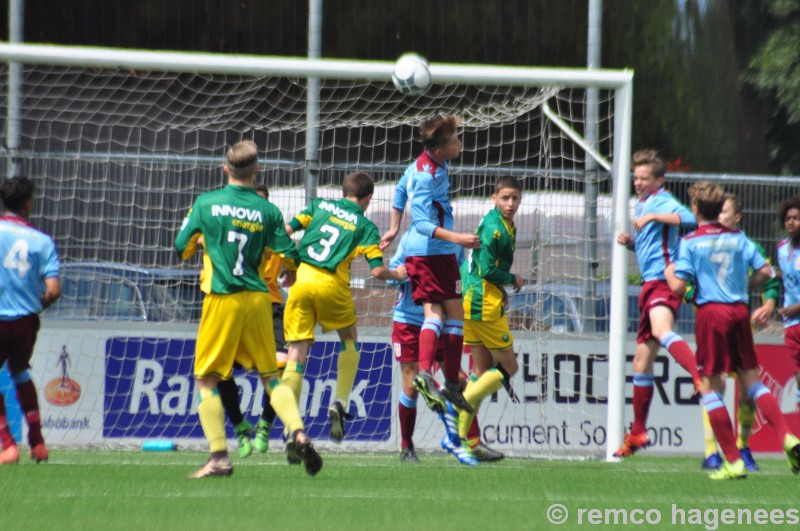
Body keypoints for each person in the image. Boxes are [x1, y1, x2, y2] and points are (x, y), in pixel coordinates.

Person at [175, 140, 322, 478]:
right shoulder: (267, 210)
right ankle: (298, 432)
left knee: (206, 380)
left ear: (225, 170)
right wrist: (290, 271)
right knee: (270, 377)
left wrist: (203, 243)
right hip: (259, 299)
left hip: (223, 297)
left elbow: (180, 246)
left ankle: (219, 458)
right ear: (257, 172)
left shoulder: (206, 204)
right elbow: (290, 254)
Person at [665, 181, 800, 479]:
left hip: (711, 314)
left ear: (696, 209)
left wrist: (671, 273)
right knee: (752, 381)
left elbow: (677, 286)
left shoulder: (692, 242)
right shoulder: (739, 238)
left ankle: (731, 460)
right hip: (740, 312)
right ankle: (787, 437)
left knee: (710, 386)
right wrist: (745, 285)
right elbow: (766, 273)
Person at [283, 171, 406, 444]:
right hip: (332, 286)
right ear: (368, 198)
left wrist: (289, 264)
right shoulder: (366, 226)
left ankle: (292, 427)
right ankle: (340, 400)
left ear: (344, 191)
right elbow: (376, 272)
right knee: (349, 339)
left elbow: (286, 231)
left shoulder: (318, 206)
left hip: (302, 280)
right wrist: (397, 275)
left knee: (297, 351)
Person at [391, 114, 480, 417]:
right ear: (441, 151)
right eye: (455, 139)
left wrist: (392, 228)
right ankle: (428, 375)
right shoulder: (428, 176)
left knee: (451, 313)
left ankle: (448, 382)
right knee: (439, 312)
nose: (460, 142)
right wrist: (458, 238)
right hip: (432, 252)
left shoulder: (425, 163)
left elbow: (401, 189)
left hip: (434, 252)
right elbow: (422, 222)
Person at [614, 149, 701, 458]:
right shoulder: (644, 201)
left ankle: (698, 374)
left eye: (644, 178)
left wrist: (652, 215)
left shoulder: (661, 201)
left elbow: (689, 218)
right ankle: (638, 432)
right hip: (650, 283)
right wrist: (632, 245)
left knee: (663, 332)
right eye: (635, 177)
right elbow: (654, 243)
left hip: (665, 281)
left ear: (658, 180)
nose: (637, 182)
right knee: (640, 363)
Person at [389, 232, 502, 464]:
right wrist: (403, 273)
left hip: (442, 321)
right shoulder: (411, 239)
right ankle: (406, 446)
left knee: (460, 380)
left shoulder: (454, 241)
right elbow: (392, 275)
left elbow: (462, 275)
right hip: (409, 320)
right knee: (411, 387)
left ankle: (473, 443)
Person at [696, 193, 780, 472]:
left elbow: (769, 277)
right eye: (717, 211)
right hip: (712, 325)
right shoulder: (702, 241)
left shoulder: (747, 244)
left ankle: (743, 447)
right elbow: (686, 284)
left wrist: (768, 304)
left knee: (747, 390)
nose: (719, 216)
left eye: (725, 211)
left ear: (737, 217)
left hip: (739, 324)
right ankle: (712, 452)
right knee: (713, 384)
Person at [447, 176, 525, 463]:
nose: (510, 203)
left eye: (515, 198)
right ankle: (457, 413)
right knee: (510, 366)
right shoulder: (495, 229)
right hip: (482, 304)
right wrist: (513, 280)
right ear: (494, 197)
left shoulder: (502, 223)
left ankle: (461, 439)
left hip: (475, 299)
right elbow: (487, 270)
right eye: (505, 198)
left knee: (481, 371)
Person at [216, 183, 288, 459]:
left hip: (270, 309)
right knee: (220, 370)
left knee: (280, 368)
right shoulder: (234, 235)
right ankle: (239, 425)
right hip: (238, 306)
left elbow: (294, 262)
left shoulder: (278, 237)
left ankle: (265, 426)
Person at [0, 176, 61, 465]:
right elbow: (53, 290)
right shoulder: (43, 241)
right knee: (21, 371)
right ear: (28, 203)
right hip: (26, 319)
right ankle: (37, 443)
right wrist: (37, 306)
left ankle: (7, 445)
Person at [776, 195, 800, 421]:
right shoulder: (782, 249)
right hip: (791, 324)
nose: (791, 222)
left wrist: (796, 308)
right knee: (797, 375)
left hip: (797, 316)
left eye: (796, 218)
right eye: (788, 218)